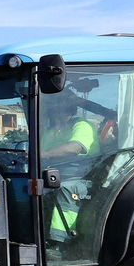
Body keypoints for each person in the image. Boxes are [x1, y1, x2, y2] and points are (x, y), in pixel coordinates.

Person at [40, 96, 100, 245]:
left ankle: (58, 243)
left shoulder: (82, 125)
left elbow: (74, 148)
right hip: (52, 173)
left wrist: (45, 154)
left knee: (65, 189)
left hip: (83, 175)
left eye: (56, 109)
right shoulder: (52, 131)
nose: (51, 113)